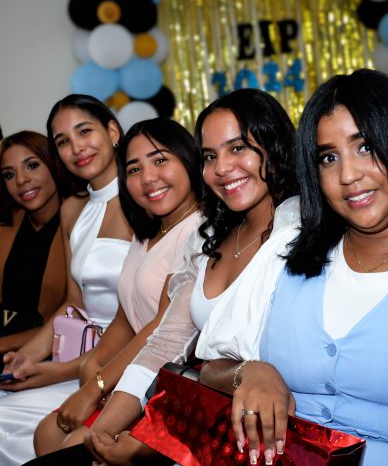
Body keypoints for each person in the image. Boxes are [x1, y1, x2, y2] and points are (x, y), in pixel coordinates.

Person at [198, 70, 388, 465]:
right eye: (329, 157)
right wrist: (250, 372)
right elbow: (209, 367)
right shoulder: (285, 252)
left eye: (366, 147)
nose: (348, 175)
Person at [25, 88, 300, 465]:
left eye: (237, 148)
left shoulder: (299, 231)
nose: (222, 168)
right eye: (211, 156)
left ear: (274, 145)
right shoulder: (210, 239)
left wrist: (137, 425)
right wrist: (106, 429)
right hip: (199, 406)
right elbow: (167, 339)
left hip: (256, 428)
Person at [32, 118, 202, 455]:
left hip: (169, 379)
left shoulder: (198, 230)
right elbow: (125, 319)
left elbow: (160, 327)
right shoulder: (149, 231)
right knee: (47, 433)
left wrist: (97, 386)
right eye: (134, 169)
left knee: (73, 445)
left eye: (160, 160)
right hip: (134, 369)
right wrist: (94, 367)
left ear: (188, 159)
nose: (148, 177)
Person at [0, 94, 132, 466]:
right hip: (80, 357)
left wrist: (53, 372)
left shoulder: (144, 200)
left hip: (122, 363)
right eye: (63, 141)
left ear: (112, 131)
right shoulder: (73, 209)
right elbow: (74, 305)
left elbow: (146, 321)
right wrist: (26, 357)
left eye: (84, 131)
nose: (76, 148)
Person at [0, 132, 67, 362]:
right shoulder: (6, 224)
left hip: (47, 357)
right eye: (9, 174)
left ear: (53, 163)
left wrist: (3, 344)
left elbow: (75, 316)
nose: (21, 180)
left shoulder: (79, 225)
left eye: (32, 165)